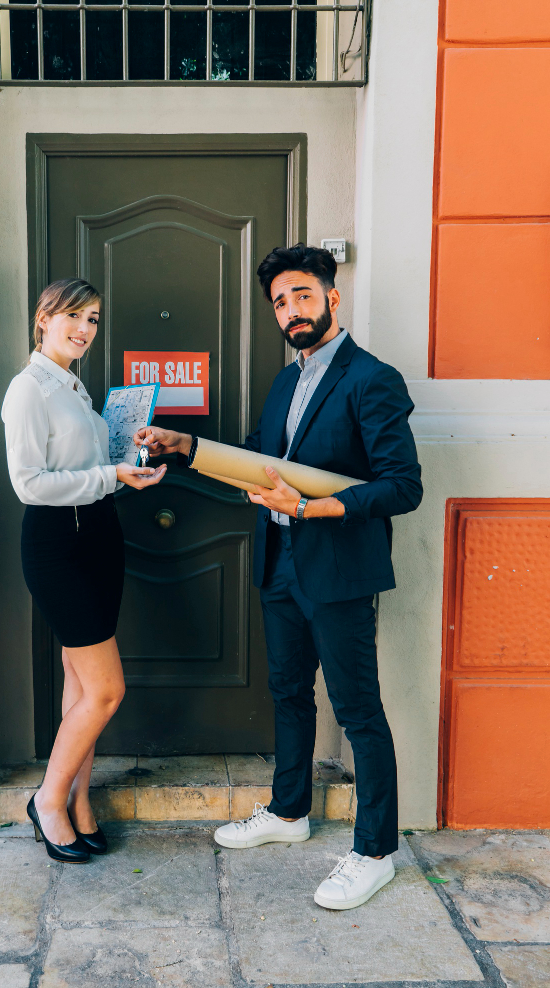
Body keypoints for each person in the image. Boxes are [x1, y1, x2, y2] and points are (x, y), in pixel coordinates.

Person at [134, 244, 422, 909]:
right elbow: (257, 461)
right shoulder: (284, 381)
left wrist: (315, 506)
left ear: (330, 297)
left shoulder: (370, 379)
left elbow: (401, 487)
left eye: (301, 295)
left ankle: (374, 850)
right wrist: (184, 451)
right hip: (280, 565)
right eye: (279, 302)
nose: (290, 310)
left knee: (357, 712)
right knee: (289, 691)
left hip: (339, 569)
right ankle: (289, 812)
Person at [2, 278, 166, 863]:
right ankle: (47, 800)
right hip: (58, 544)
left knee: (80, 686)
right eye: (74, 315)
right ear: (43, 317)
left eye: (94, 318)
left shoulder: (76, 389)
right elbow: (30, 484)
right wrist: (109, 478)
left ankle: (79, 800)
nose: (84, 329)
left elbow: (93, 468)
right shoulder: (29, 390)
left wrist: (131, 465)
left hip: (97, 534)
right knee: (105, 690)